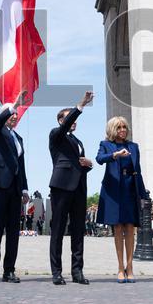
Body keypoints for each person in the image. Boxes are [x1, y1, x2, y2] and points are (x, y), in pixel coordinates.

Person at [47, 91, 95, 286]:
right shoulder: (56, 134)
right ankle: (56, 272)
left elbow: (79, 165)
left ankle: (77, 271)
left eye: (73, 118)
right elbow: (67, 124)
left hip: (79, 188)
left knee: (78, 230)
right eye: (68, 119)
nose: (73, 122)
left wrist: (89, 164)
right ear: (60, 120)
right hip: (61, 187)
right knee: (58, 230)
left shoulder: (79, 141)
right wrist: (81, 105)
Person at [96, 115, 148, 283]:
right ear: (112, 129)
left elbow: (138, 171)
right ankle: (120, 267)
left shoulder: (134, 146)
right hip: (113, 190)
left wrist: (143, 195)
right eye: (119, 127)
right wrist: (115, 154)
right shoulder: (106, 145)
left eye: (124, 127)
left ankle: (130, 267)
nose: (123, 130)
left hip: (130, 188)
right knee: (117, 228)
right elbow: (99, 159)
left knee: (130, 228)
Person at [0, 90, 30, 284]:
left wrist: (25, 189)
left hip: (15, 188)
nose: (14, 117)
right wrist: (14, 104)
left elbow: (22, 165)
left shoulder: (18, 139)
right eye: (11, 114)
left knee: (13, 231)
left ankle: (9, 269)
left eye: (16, 115)